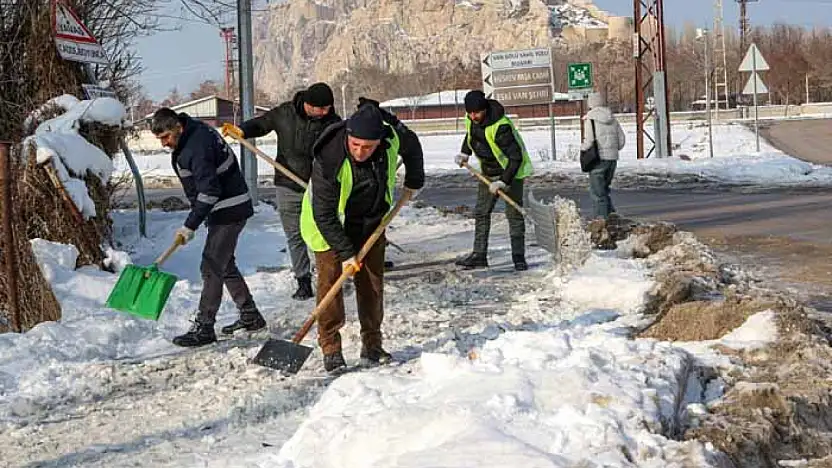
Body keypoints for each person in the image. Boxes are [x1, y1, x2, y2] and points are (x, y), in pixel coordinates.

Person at [300, 104, 424, 372]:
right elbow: (324, 214)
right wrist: (346, 254)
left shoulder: (391, 139)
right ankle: (331, 347)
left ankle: (372, 345)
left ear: (379, 141)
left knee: (372, 285)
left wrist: (415, 178)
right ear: (348, 136)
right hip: (329, 228)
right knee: (330, 285)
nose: (360, 151)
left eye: (367, 147)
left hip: (370, 223)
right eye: (355, 144)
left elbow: (412, 144)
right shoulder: (328, 157)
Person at [151, 108, 263, 347]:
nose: (164, 144)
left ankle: (204, 326)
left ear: (178, 128)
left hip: (228, 210)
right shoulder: (192, 133)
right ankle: (250, 315)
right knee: (224, 263)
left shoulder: (196, 147)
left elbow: (209, 190)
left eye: (166, 137)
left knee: (211, 265)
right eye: (160, 139)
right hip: (227, 207)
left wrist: (190, 225)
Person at [222, 83, 341, 302]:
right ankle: (303, 280)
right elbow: (263, 124)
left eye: (327, 108)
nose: (324, 112)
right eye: (320, 108)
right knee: (294, 234)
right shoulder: (285, 113)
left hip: (318, 186)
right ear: (307, 104)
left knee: (322, 232)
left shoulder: (333, 123)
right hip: (287, 183)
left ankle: (329, 276)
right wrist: (243, 130)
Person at [453, 90, 533, 272]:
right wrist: (465, 152)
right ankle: (479, 255)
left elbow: (516, 158)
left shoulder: (501, 127)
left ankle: (518, 257)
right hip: (488, 173)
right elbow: (470, 135)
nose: (473, 116)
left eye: (477, 113)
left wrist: (503, 182)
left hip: (511, 173)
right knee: (481, 213)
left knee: (514, 215)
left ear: (485, 110)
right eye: (470, 113)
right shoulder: (471, 119)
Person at [581, 92, 625, 219]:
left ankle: (602, 222)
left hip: (598, 160)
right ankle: (613, 218)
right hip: (612, 159)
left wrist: (582, 149)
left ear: (591, 103)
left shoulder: (591, 119)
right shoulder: (612, 118)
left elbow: (589, 141)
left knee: (597, 194)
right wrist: (612, 150)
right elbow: (621, 140)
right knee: (604, 191)